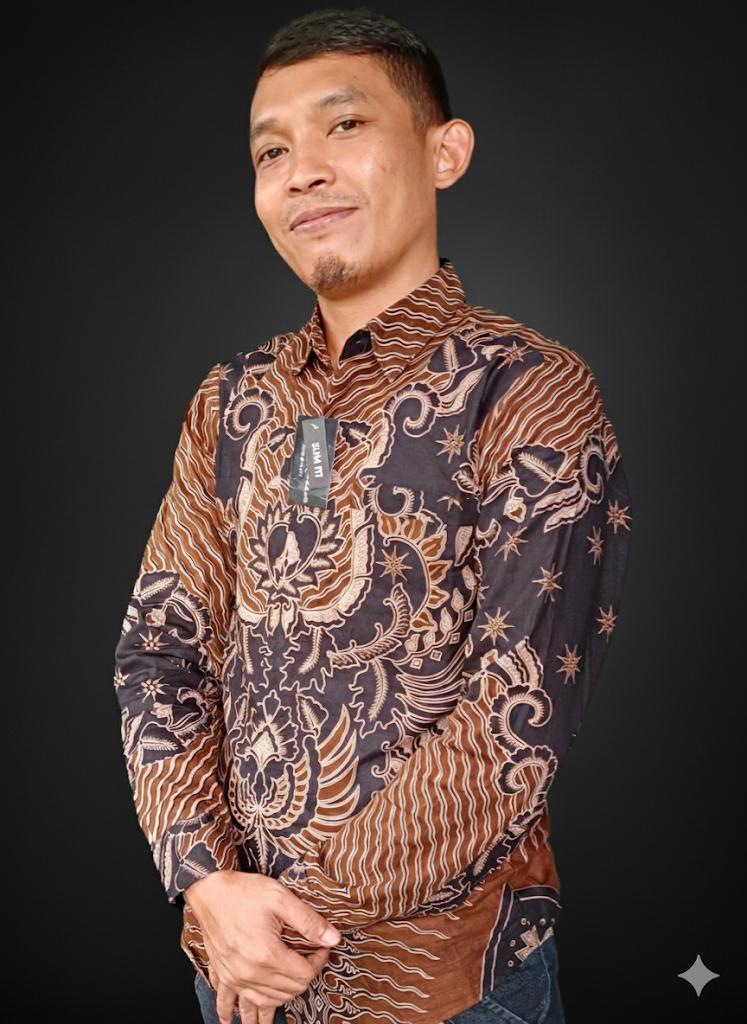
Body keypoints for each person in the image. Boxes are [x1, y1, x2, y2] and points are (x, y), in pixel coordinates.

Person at [112, 7, 633, 1024]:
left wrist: (283, 924)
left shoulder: (526, 392)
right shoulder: (232, 401)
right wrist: (207, 885)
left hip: (447, 990)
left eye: (343, 125)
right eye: (271, 150)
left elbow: (514, 717)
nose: (301, 171)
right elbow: (160, 651)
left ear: (445, 152)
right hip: (237, 980)